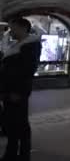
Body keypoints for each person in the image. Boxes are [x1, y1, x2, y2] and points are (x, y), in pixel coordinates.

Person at [0, 18, 42, 161]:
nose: (10, 32)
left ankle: (23, 154)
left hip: (17, 92)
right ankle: (12, 152)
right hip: (9, 91)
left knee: (21, 125)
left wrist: (18, 92)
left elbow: (27, 71)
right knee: (11, 123)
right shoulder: (18, 45)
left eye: (13, 29)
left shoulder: (30, 45)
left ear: (23, 28)